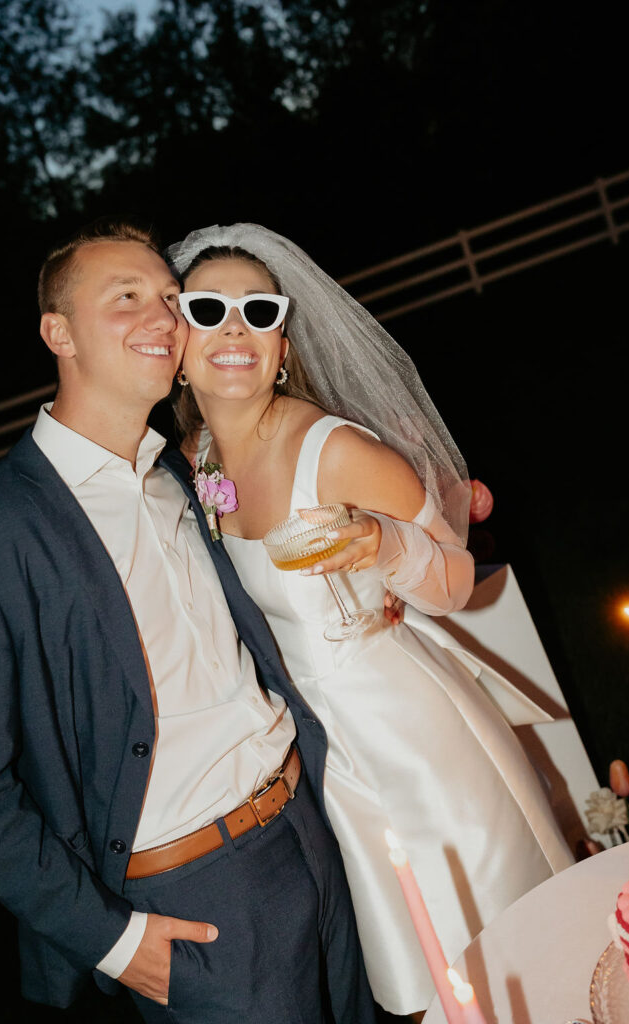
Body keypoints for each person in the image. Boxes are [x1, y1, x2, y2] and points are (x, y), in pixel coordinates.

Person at [0, 218, 378, 1024]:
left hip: (309, 829)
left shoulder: (184, 470)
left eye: (171, 299)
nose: (163, 319)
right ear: (57, 332)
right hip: (196, 902)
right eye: (126, 298)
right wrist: (113, 943)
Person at [166, 223, 575, 1019]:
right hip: (329, 757)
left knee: (502, 944)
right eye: (209, 309)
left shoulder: (338, 449)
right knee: (422, 974)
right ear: (177, 340)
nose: (235, 331)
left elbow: (454, 581)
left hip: (414, 737)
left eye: (260, 312)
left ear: (283, 346)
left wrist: (383, 545)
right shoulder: (200, 457)